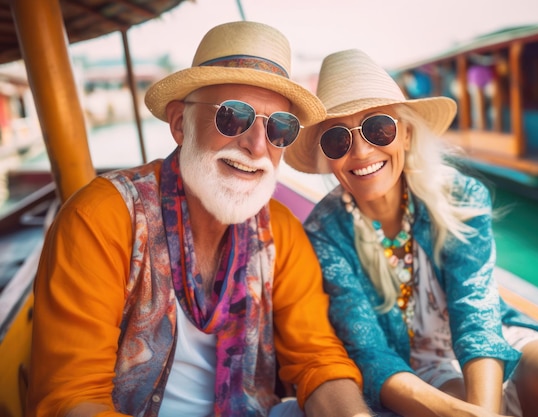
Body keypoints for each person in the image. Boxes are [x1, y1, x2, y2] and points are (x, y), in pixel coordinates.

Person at [26, 23, 373, 417]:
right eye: (234, 117)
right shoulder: (102, 216)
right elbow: (73, 396)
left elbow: (316, 359)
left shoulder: (282, 230)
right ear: (179, 124)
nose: (257, 145)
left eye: (279, 127)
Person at [284, 48, 538, 417]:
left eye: (377, 127)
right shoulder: (324, 231)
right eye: (338, 139)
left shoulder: (459, 195)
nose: (362, 150)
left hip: (494, 342)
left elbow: (476, 310)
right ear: (327, 156)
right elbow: (371, 354)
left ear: (407, 135)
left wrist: (484, 411)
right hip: (415, 370)